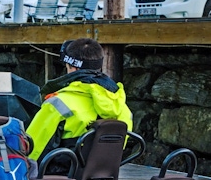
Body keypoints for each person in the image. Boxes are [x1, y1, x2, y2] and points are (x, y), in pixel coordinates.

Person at [26, 38, 133, 170]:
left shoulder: (57, 103)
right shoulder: (121, 105)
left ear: (72, 66)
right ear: (99, 65)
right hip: (101, 179)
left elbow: (31, 147)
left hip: (61, 179)